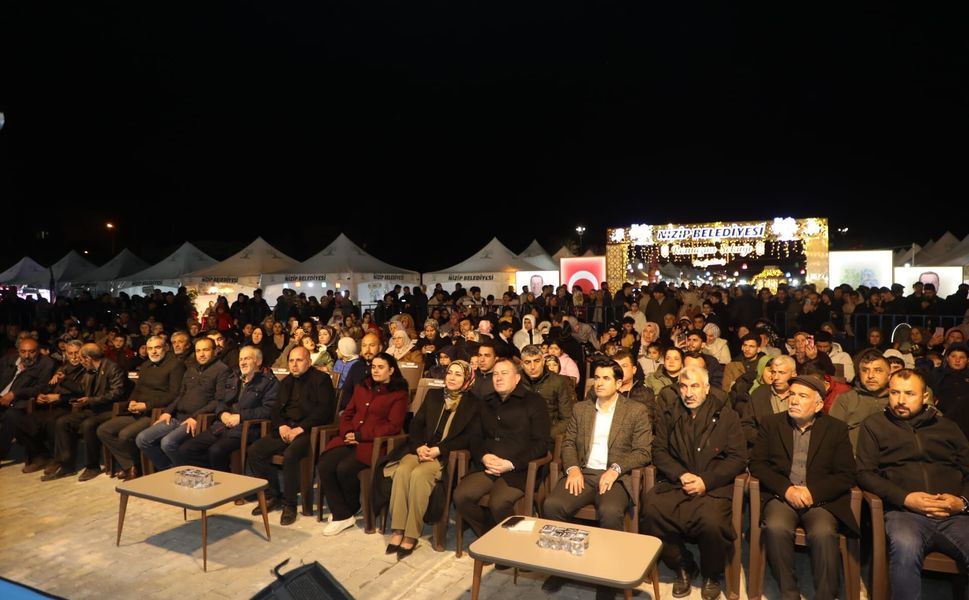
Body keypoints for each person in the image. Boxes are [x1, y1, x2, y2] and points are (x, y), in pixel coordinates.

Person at [542, 360, 652, 598]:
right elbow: (568, 443)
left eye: (606, 378)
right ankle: (562, 568)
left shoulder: (635, 410)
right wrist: (572, 468)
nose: (599, 383)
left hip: (614, 476)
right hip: (583, 472)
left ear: (619, 382)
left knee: (611, 512)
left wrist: (615, 468)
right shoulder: (581, 408)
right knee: (552, 505)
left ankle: (607, 580)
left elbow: (643, 451)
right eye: (596, 378)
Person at [856, 369, 969, 600]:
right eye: (895, 392)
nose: (900, 400)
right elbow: (865, 473)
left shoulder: (947, 427)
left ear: (924, 397)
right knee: (905, 547)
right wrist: (906, 498)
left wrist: (963, 502)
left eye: (909, 393)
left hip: (953, 514)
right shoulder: (875, 425)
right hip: (904, 514)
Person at [642, 366, 747, 600]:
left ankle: (711, 574)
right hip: (677, 482)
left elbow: (738, 458)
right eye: (684, 386)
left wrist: (705, 481)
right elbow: (658, 451)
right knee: (651, 510)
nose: (688, 392)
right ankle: (683, 565)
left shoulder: (726, 415)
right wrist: (680, 474)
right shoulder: (670, 413)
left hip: (713, 485)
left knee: (712, 522)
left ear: (707, 388)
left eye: (695, 386)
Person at [749, 375, 858, 600]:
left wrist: (813, 492)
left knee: (823, 533)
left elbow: (846, 475)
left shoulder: (836, 429)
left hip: (820, 500)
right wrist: (786, 489)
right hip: (782, 497)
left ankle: (826, 595)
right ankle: (789, 592)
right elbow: (757, 464)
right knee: (776, 528)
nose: (794, 401)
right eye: (792, 395)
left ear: (818, 405)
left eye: (802, 396)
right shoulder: (772, 423)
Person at [376, 360, 480, 559]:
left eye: (459, 374)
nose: (452, 377)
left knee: (419, 474)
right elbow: (416, 424)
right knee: (403, 470)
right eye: (450, 372)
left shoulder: (474, 404)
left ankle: (411, 534)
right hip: (421, 450)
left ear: (467, 379)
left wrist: (439, 450)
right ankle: (398, 529)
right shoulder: (433, 395)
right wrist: (418, 446)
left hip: (444, 456)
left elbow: (469, 437)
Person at [454, 357, 550, 536]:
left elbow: (542, 444)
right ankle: (490, 535)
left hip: (519, 469)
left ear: (517, 378)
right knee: (461, 497)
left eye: (504, 373)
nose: (498, 377)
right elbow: (475, 437)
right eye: (495, 374)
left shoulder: (534, 402)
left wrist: (511, 463)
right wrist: (483, 456)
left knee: (498, 503)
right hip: (488, 466)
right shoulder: (486, 402)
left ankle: (510, 546)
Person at [318, 352, 408, 535]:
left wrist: (360, 435)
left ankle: (346, 510)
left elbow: (393, 426)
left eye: (380, 367)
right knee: (325, 463)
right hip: (350, 438)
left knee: (345, 468)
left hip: (373, 444)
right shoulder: (362, 386)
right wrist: (348, 432)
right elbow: (348, 413)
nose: (375, 370)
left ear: (391, 370)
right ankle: (343, 512)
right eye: (373, 366)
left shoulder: (399, 394)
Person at [247, 345, 334, 525]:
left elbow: (324, 411)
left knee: (290, 456)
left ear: (309, 362)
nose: (294, 365)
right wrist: (281, 427)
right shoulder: (286, 382)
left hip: (308, 433)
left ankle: (290, 504)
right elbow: (276, 410)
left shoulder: (321, 380)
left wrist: (300, 429)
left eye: (299, 360)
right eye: (291, 361)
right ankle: (273, 495)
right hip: (286, 430)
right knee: (255, 451)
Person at [135, 337, 233, 472]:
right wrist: (168, 411)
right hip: (177, 416)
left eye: (206, 350)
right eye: (198, 351)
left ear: (215, 351)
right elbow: (180, 395)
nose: (202, 354)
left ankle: (185, 473)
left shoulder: (222, 370)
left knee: (168, 443)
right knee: (142, 439)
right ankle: (169, 470)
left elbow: (218, 400)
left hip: (197, 419)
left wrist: (196, 416)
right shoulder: (191, 369)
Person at [97, 336, 185, 480]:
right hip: (138, 410)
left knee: (125, 435)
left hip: (156, 412)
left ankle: (138, 467)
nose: (154, 352)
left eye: (157, 347)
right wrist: (131, 402)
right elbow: (138, 389)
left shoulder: (175, 365)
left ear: (165, 348)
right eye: (150, 348)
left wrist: (146, 405)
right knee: (104, 430)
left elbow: (174, 394)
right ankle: (131, 465)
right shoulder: (145, 366)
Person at [179, 345, 278, 471]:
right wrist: (222, 414)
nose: (242, 362)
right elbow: (221, 400)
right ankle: (210, 476)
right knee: (186, 449)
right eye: (241, 359)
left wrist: (241, 417)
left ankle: (225, 485)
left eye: (247, 358)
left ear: (258, 361)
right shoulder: (234, 377)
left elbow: (268, 410)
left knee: (216, 451)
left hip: (246, 429)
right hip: (221, 426)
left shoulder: (269, 382)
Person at [41, 343, 126, 481]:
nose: (80, 361)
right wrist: (65, 380)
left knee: (88, 425)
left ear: (88, 358)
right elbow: (81, 388)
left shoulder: (113, 368)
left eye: (81, 358)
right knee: (63, 422)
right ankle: (66, 466)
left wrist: (91, 400)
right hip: (93, 408)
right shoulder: (90, 370)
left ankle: (92, 466)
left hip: (109, 410)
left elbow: (116, 393)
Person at [0, 337, 57, 464]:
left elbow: (42, 387)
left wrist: (15, 393)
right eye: (23, 352)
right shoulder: (9, 360)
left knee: (10, 416)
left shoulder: (46, 363)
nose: (27, 355)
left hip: (22, 403)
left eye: (31, 352)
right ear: (18, 351)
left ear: (38, 351)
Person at [829, 349, 890, 452]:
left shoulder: (897, 400)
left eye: (878, 370)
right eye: (865, 370)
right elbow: (832, 436)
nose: (870, 376)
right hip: (853, 461)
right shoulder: (846, 399)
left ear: (889, 376)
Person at [520, 344, 576, 437]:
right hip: (519, 436)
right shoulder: (515, 381)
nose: (533, 366)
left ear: (543, 361)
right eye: (528, 362)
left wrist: (546, 434)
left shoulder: (558, 381)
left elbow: (567, 418)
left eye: (537, 361)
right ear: (522, 364)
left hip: (548, 436)